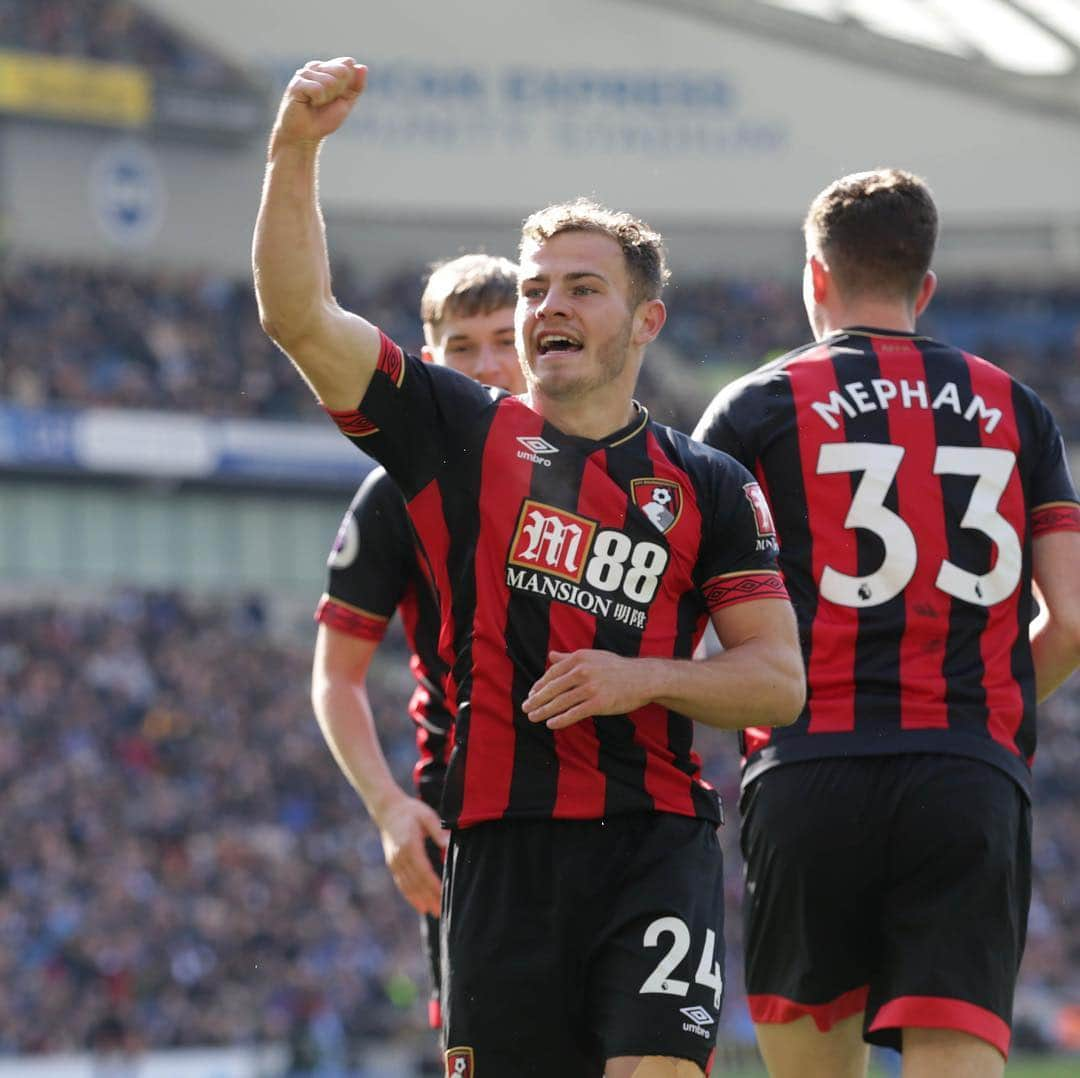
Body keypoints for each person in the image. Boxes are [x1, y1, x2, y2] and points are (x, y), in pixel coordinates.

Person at [253, 56, 805, 1078]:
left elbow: (778, 677)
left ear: (646, 321)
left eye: (582, 288)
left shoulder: (713, 484)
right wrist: (294, 150)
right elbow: (299, 320)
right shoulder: (457, 435)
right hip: (500, 853)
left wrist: (644, 677)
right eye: (538, 286)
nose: (550, 304)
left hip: (655, 844)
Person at [693, 168, 1080, 1078]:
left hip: (807, 774)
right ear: (926, 285)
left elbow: (683, 623)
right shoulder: (1016, 408)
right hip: (966, 776)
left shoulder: (754, 405)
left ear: (814, 278)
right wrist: (981, 714)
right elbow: (1070, 621)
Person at [311, 253, 525, 1035]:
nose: (489, 364)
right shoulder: (392, 494)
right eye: (463, 348)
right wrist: (387, 807)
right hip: (462, 813)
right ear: (428, 362)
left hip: (619, 808)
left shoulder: (617, 462)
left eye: (505, 339)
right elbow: (336, 677)